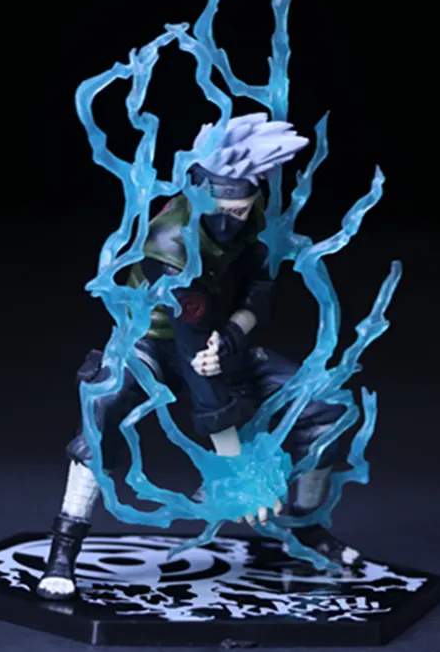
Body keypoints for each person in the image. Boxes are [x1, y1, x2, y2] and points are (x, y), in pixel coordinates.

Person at [37, 113, 360, 600]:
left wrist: (231, 334)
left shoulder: (251, 213)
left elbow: (259, 289)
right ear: (199, 194)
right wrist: (233, 467)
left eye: (242, 209)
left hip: (219, 336)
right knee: (103, 408)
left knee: (325, 407)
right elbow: (191, 349)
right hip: (150, 341)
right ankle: (63, 548)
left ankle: (304, 527)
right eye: (224, 210)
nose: (234, 220)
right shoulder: (169, 243)